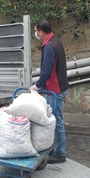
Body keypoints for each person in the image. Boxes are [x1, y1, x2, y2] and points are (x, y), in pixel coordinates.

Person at [30, 19, 69, 164]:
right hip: (58, 87)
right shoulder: (56, 41)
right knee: (50, 118)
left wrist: (37, 86)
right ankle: (52, 147)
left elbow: (46, 71)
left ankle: (60, 153)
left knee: (57, 120)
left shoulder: (49, 47)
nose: (36, 34)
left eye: (36, 31)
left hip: (55, 89)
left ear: (41, 31)